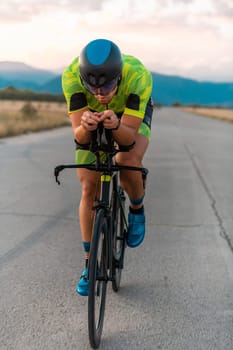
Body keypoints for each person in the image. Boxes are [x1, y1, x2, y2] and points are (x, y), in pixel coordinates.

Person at [62, 38, 153, 296]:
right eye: (93, 88)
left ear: (119, 76)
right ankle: (90, 264)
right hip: (90, 116)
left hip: (128, 115)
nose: (100, 94)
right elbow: (79, 138)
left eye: (108, 86)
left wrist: (115, 126)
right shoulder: (71, 77)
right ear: (83, 78)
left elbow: (128, 139)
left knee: (126, 160)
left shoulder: (137, 76)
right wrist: (85, 127)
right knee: (88, 186)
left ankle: (136, 207)